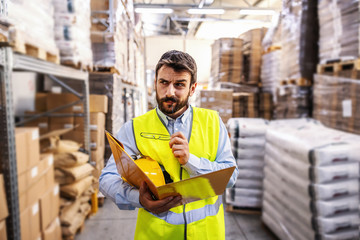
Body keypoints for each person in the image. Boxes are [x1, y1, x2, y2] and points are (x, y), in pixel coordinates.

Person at [99, 50, 238, 240]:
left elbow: (231, 176)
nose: (169, 92)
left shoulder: (212, 122)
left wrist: (192, 161)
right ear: (155, 82)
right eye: (164, 82)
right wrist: (138, 199)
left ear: (192, 88)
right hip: (156, 235)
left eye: (179, 85)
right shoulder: (135, 128)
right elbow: (107, 179)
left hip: (206, 234)